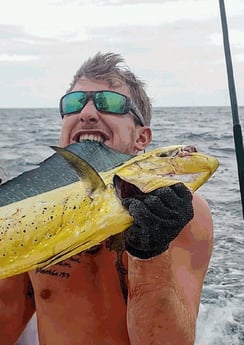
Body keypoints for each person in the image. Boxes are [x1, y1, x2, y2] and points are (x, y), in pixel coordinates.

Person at [0, 52, 213, 345]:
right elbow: (6, 324)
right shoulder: (29, 210)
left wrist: (150, 251)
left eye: (110, 103)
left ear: (142, 138)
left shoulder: (181, 211)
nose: (86, 113)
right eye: (73, 103)